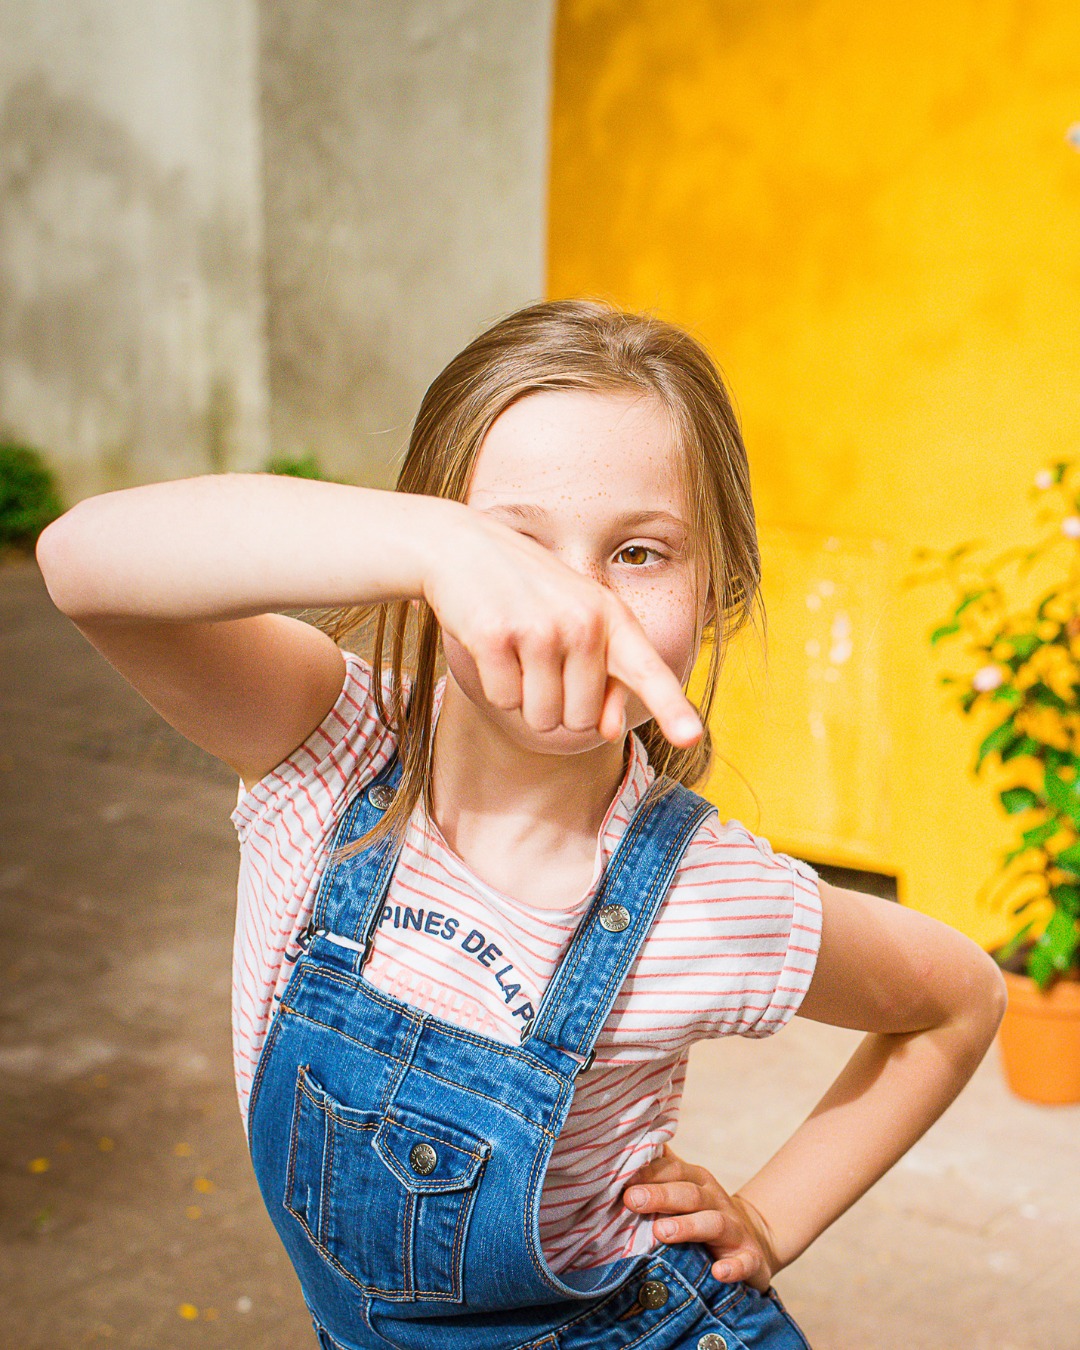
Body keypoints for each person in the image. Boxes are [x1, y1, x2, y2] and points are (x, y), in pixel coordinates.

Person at [36, 299, 1007, 1350]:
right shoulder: (325, 743)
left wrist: (771, 1218)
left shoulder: (709, 896)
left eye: (639, 553)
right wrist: (433, 540)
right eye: (513, 548)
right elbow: (84, 564)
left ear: (719, 588)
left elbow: (958, 1001)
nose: (572, 607)